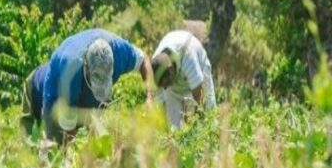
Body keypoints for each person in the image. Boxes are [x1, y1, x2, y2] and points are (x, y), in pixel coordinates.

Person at [23, 28, 155, 142]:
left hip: (79, 95)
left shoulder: (120, 52)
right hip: (40, 93)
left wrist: (150, 98)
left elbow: (144, 60)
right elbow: (68, 135)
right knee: (52, 149)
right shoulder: (71, 73)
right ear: (86, 68)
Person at [151, 30, 216, 127]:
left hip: (200, 70)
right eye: (162, 85)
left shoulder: (188, 56)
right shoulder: (157, 68)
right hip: (173, 77)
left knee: (208, 115)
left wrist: (195, 124)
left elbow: (199, 94)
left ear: (171, 69)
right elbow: (162, 106)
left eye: (166, 84)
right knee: (172, 126)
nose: (164, 88)